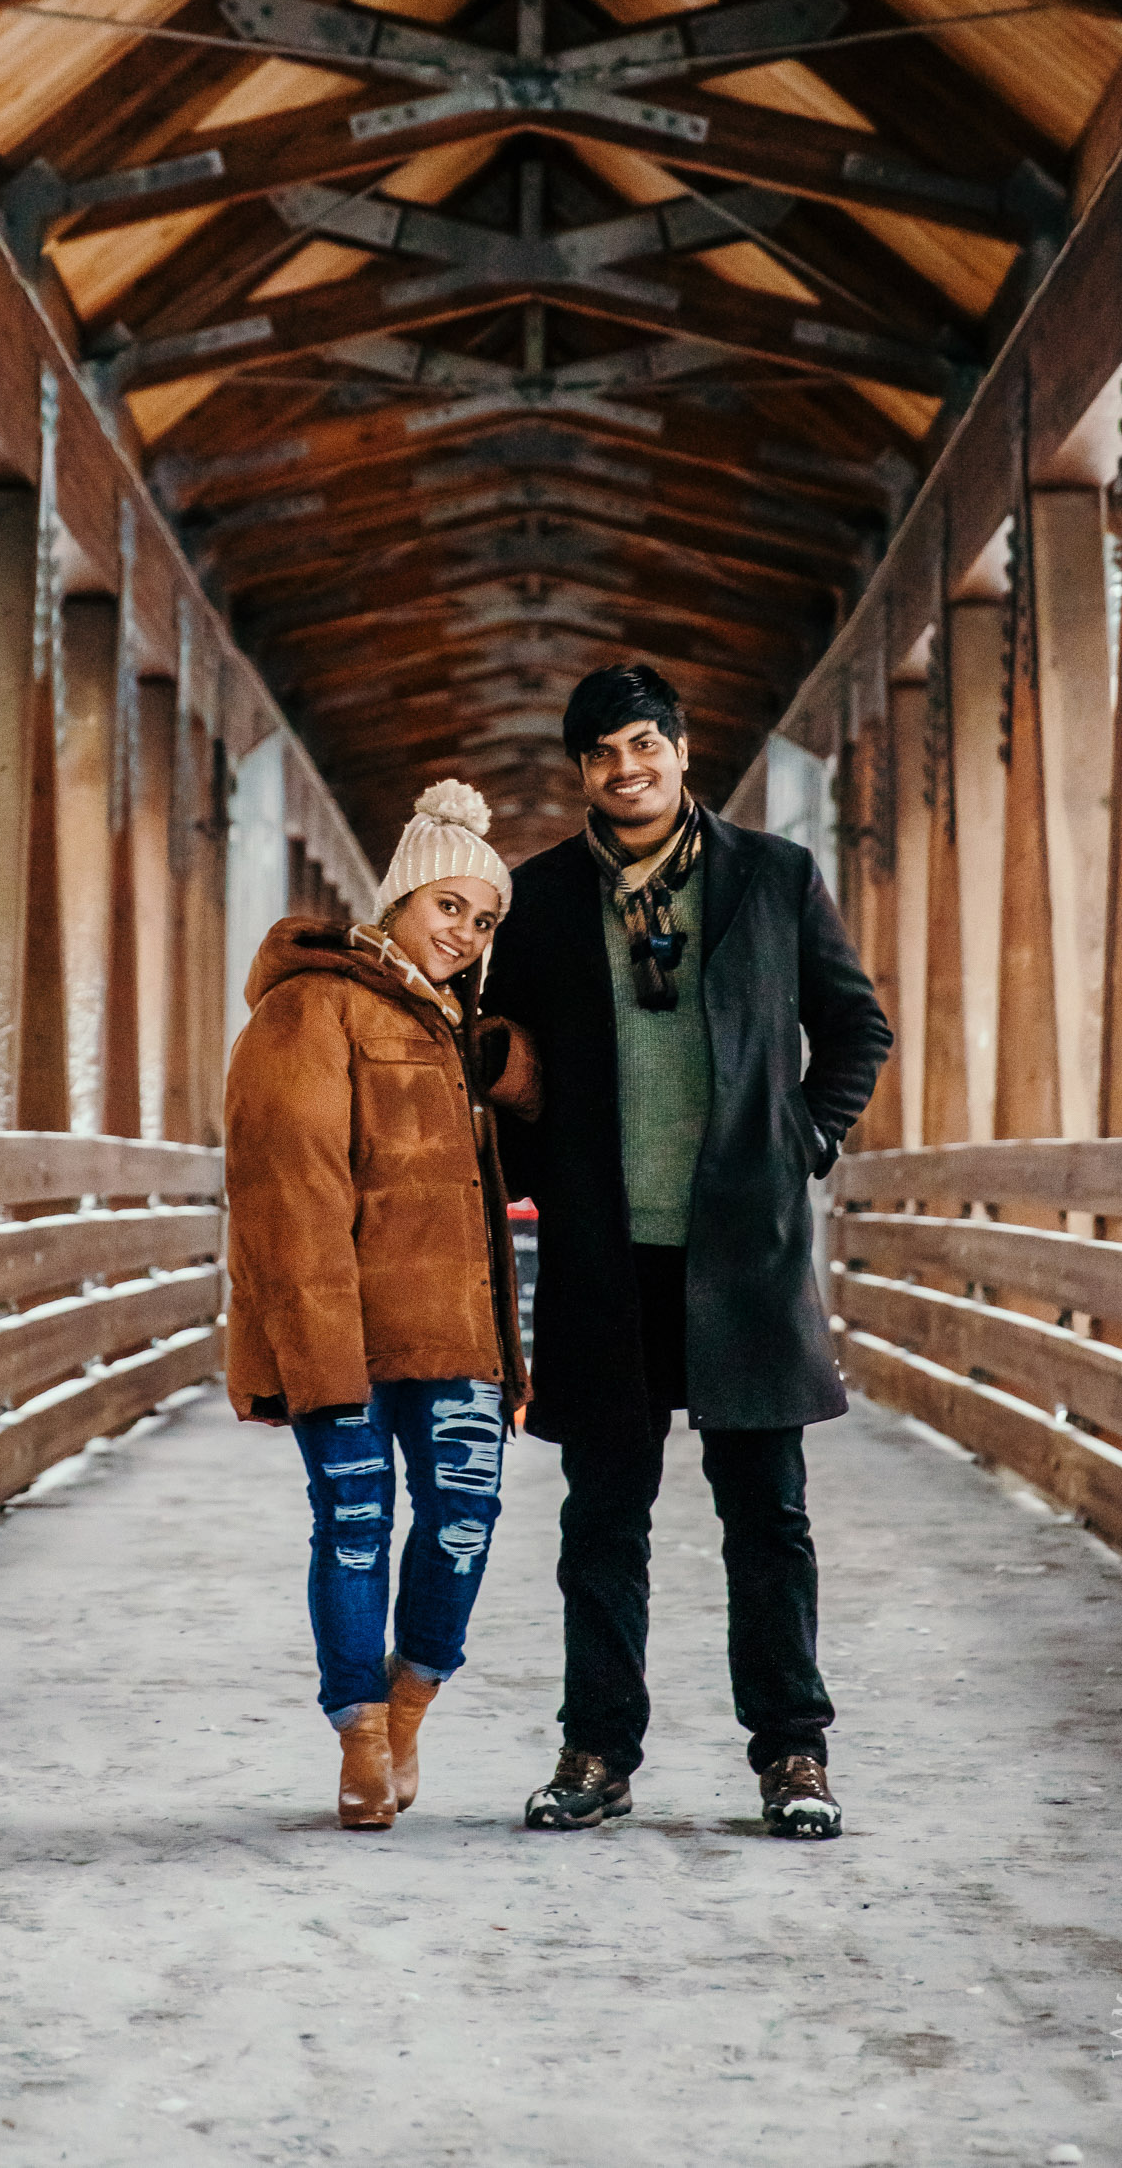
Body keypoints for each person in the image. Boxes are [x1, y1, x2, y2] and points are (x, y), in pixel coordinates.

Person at [483, 664, 893, 1840]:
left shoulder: (773, 877)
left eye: (643, 745)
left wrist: (803, 1136)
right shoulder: (542, 898)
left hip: (743, 1253)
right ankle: (597, 1750)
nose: (627, 769)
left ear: (678, 746)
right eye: (602, 753)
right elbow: (503, 1061)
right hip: (605, 1258)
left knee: (766, 1514)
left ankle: (793, 1753)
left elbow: (855, 1024)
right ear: (581, 771)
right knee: (601, 1518)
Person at [224, 780, 538, 1831]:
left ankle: (410, 1704)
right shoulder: (309, 1006)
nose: (463, 931)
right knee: (354, 1523)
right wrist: (317, 1357)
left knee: (463, 1520)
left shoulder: (459, 1031)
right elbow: (288, 1192)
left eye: (483, 917)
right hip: (342, 1332)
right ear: (399, 896)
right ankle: (360, 1736)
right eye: (447, 905)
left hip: (453, 1329)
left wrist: (510, 1064)